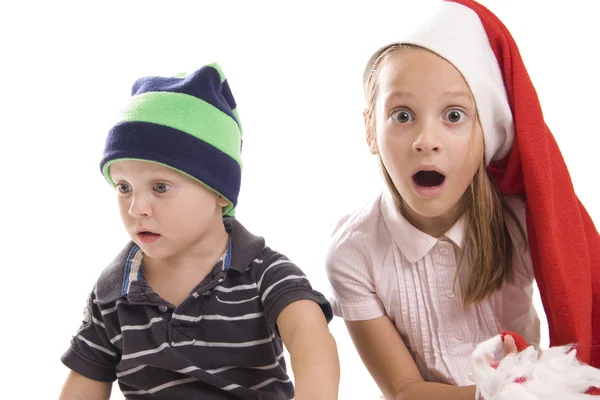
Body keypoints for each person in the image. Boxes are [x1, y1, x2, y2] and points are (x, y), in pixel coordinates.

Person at [325, 1, 600, 399]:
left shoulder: (520, 221)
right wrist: (501, 395)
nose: (425, 141)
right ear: (370, 129)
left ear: (486, 133)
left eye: (453, 116)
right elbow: (403, 389)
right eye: (402, 116)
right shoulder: (354, 253)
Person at [59, 62, 340, 400]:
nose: (137, 208)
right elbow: (83, 383)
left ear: (220, 192)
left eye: (160, 187)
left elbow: (309, 335)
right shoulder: (112, 293)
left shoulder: (262, 272)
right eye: (123, 187)